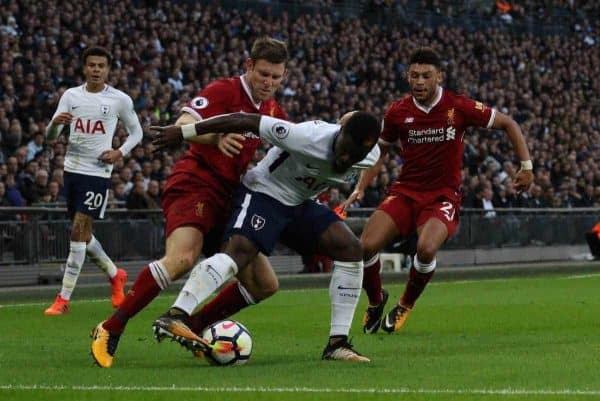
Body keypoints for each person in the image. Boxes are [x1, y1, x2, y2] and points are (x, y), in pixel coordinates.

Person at [90, 37, 289, 368]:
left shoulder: (272, 111)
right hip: (196, 183)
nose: (269, 83)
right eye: (264, 74)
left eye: (276, 77)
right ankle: (111, 327)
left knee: (264, 284)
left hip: (230, 196)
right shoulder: (223, 91)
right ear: (249, 66)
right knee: (182, 257)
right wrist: (216, 135)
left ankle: (191, 326)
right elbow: (182, 125)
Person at [150, 110, 381, 362]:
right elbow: (244, 119)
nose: (346, 158)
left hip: (299, 203)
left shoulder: (371, 155)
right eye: (343, 149)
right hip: (264, 193)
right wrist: (183, 132)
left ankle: (338, 343)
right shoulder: (306, 136)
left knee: (350, 249)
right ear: (339, 132)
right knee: (239, 252)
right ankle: (175, 314)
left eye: (354, 156)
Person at [342, 47, 534, 334]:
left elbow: (509, 123)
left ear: (439, 77)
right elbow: (380, 151)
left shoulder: (459, 106)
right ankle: (375, 299)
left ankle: (405, 304)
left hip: (442, 195)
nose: (419, 81)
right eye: (414, 76)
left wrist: (526, 166)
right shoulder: (397, 112)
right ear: (408, 76)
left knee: (426, 247)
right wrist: (360, 187)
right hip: (406, 191)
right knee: (365, 246)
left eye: (426, 76)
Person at [43, 46, 143, 315]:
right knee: (83, 236)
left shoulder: (119, 100)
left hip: (98, 172)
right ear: (84, 68)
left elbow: (137, 133)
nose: (96, 70)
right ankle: (115, 274)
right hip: (71, 170)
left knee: (77, 232)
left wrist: (119, 152)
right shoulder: (71, 95)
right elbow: (50, 137)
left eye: (101, 65)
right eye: (92, 65)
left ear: (108, 70)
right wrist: (55, 124)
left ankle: (63, 299)